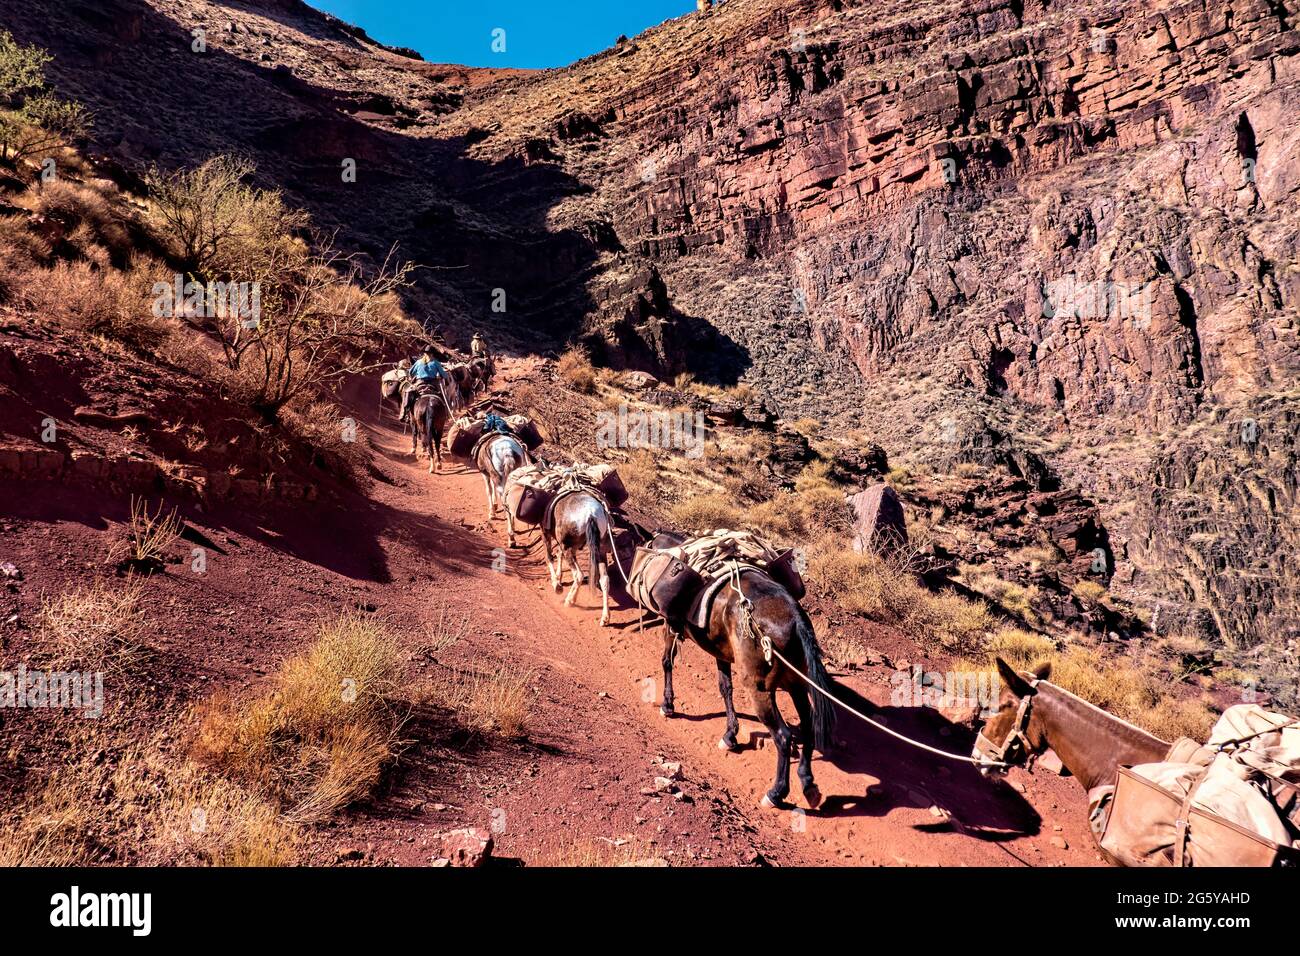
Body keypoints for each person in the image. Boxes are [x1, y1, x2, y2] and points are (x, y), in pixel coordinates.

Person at [400, 348, 448, 422]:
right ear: (432, 354)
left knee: (407, 392)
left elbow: (410, 372)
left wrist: (417, 374)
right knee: (443, 395)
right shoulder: (436, 362)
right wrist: (440, 375)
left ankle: (404, 413)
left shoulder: (418, 362)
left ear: (424, 354)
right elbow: (444, 375)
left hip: (420, 382)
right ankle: (446, 413)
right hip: (433, 383)